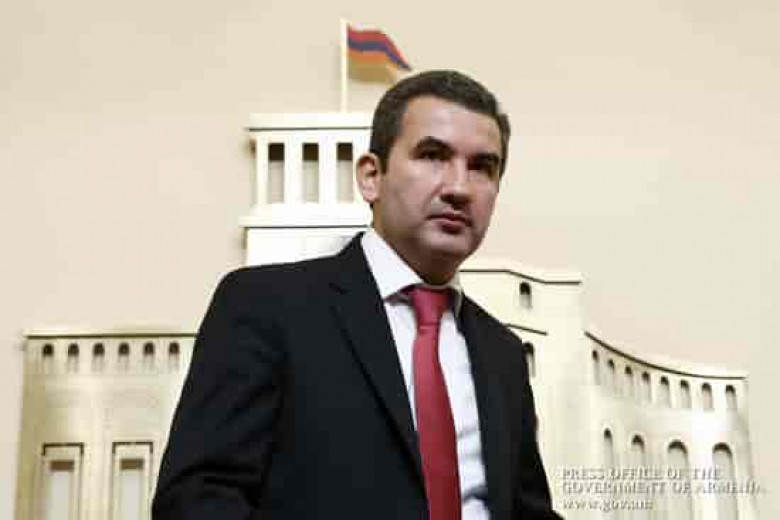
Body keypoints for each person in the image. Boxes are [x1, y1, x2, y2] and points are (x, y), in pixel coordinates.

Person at [152, 70, 562, 520]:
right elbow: (197, 499)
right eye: (432, 155)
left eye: (483, 167)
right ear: (371, 176)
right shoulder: (265, 306)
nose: (459, 188)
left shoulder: (503, 353)